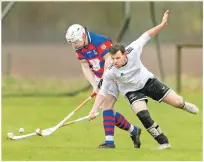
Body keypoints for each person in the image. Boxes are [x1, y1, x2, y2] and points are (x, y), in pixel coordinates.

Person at [88, 10, 199, 150]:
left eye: (118, 58)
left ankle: (183, 105)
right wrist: (93, 110)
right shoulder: (110, 71)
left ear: (124, 54)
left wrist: (162, 24)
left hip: (149, 82)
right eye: (113, 59)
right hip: (131, 92)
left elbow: (148, 34)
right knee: (142, 114)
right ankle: (164, 142)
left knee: (177, 102)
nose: (115, 61)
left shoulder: (133, 49)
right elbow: (103, 93)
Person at [65, 24, 141, 148]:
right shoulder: (78, 47)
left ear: (83, 35)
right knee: (108, 111)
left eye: (75, 42)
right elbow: (85, 66)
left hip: (112, 74)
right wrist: (95, 85)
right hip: (99, 78)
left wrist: (103, 80)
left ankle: (109, 142)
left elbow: (109, 60)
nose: (74, 45)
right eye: (72, 43)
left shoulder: (100, 41)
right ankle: (133, 131)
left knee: (107, 106)